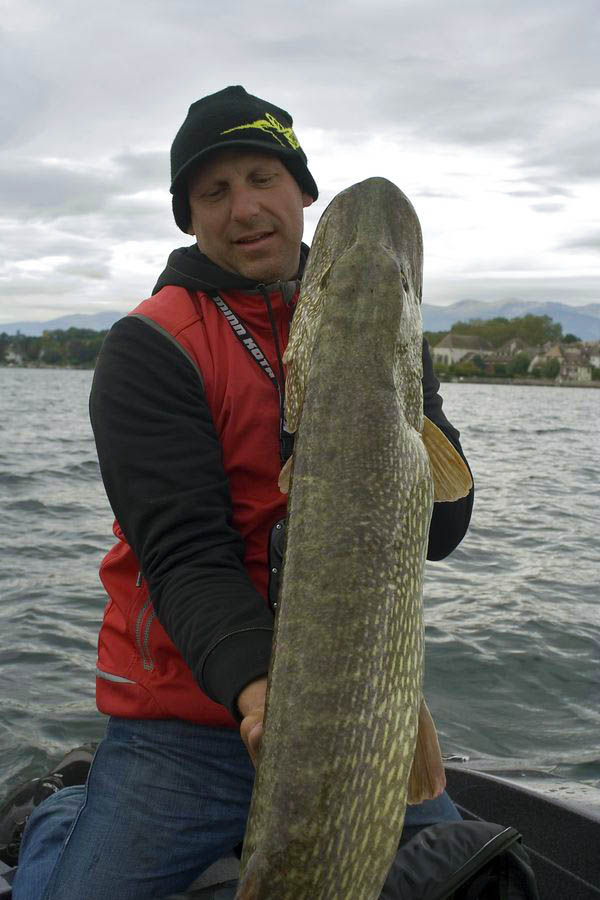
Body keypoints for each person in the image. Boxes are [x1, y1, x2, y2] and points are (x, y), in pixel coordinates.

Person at [6, 86, 474, 899]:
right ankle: (56, 820)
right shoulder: (150, 347)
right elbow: (185, 555)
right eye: (214, 193)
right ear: (189, 218)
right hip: (184, 720)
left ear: (302, 192)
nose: (246, 208)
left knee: (479, 878)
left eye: (263, 177)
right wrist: (263, 699)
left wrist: (400, 413)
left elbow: (441, 529)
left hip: (353, 704)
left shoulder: (378, 312)